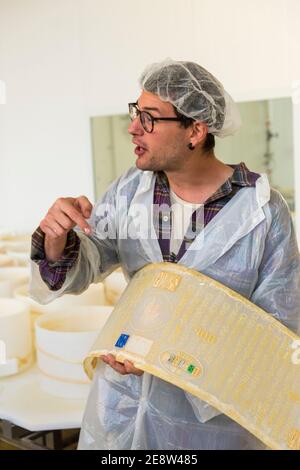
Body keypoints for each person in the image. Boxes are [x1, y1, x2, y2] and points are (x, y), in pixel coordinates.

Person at [30, 59, 300, 450]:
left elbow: (277, 333)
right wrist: (56, 238)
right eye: (135, 113)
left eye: (150, 118)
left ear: (195, 130)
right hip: (122, 406)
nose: (133, 127)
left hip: (210, 421)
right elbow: (89, 260)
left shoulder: (263, 211)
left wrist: (166, 353)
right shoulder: (129, 191)